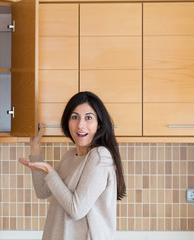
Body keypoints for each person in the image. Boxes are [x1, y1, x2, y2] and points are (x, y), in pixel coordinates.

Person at [19, 91, 126, 240]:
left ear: (99, 124)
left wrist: (48, 170)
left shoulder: (100, 156)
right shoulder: (70, 156)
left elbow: (77, 210)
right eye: (74, 117)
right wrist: (35, 146)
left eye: (88, 118)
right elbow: (42, 191)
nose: (80, 125)